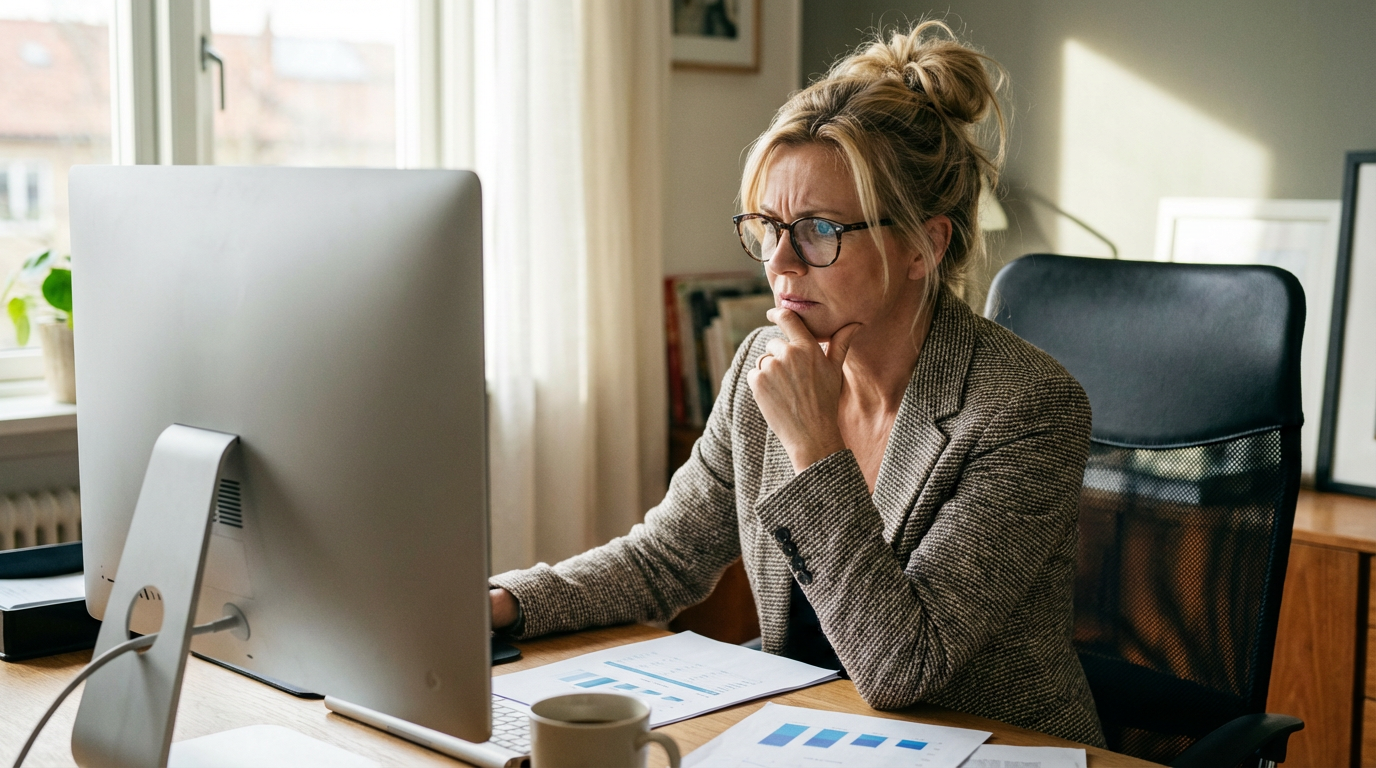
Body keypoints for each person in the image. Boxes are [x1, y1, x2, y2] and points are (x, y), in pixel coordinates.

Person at [489, 20, 1105, 746]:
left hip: (990, 748)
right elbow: (664, 560)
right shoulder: (763, 361)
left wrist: (815, 444)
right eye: (767, 225)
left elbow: (904, 666)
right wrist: (502, 603)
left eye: (817, 230)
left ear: (922, 246)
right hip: (812, 738)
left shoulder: (1024, 407)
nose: (780, 263)